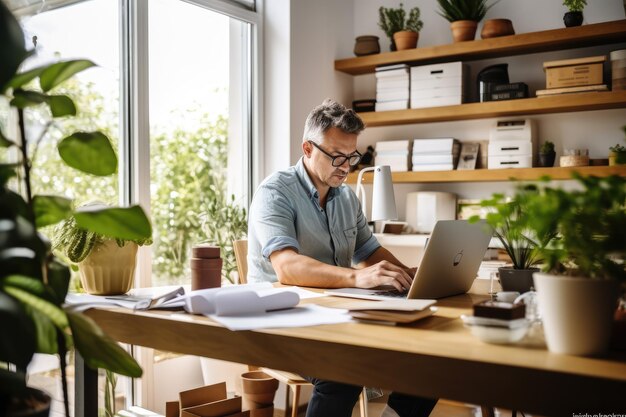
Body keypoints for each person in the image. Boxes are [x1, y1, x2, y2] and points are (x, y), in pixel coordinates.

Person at [247, 99, 438, 417]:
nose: (346, 166)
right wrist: (357, 277)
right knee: (342, 372)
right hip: (278, 323)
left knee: (431, 355)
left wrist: (406, 275)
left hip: (332, 317)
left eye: (352, 156)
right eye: (337, 156)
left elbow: (369, 251)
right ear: (307, 149)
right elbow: (287, 267)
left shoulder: (346, 197)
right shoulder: (275, 192)